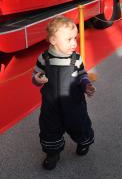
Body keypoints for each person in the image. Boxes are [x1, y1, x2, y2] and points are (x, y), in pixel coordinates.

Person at [32, 16, 96, 170]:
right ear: (53, 40)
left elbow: (82, 75)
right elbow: (36, 76)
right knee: (49, 128)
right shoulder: (44, 58)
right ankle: (52, 153)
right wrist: (37, 79)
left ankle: (83, 142)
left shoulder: (76, 59)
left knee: (80, 123)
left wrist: (86, 85)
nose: (74, 43)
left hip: (74, 103)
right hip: (51, 104)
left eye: (75, 38)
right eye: (69, 39)